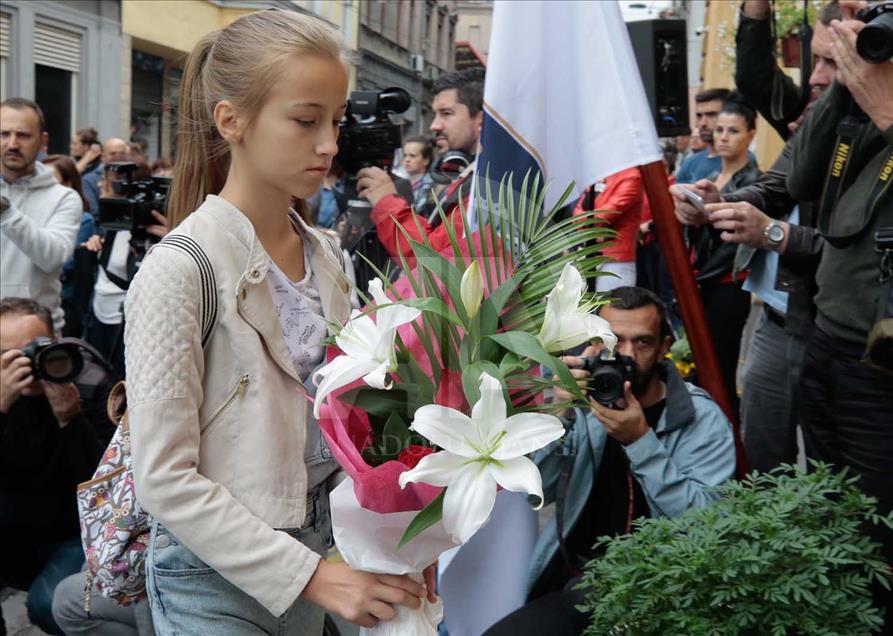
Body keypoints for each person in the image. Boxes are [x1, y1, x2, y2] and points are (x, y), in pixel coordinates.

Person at [122, 10, 435, 633]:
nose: (329, 144)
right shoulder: (181, 269)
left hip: (324, 543)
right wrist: (311, 574)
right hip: (213, 573)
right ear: (231, 120)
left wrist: (403, 539)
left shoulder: (328, 254)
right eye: (305, 120)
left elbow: (351, 424)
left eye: (336, 121)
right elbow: (162, 478)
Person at [484, 287, 736, 636]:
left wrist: (641, 442)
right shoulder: (581, 400)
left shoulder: (701, 420)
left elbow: (707, 526)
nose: (627, 354)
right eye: (615, 340)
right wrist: (557, 416)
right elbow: (535, 492)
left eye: (643, 342)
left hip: (665, 584)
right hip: (579, 578)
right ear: (595, 343)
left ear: (665, 347)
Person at [679, 0, 841, 472]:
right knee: (765, 454)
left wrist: (774, 234)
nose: (814, 79)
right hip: (776, 318)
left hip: (832, 330)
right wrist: (720, 205)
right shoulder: (814, 118)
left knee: (833, 470)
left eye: (831, 61)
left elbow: (855, 251)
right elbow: (775, 184)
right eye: (816, 59)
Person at [786, 13, 893, 629]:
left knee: (876, 531)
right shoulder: (864, 104)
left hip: (881, 368)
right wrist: (846, 81)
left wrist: (887, 112)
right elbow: (801, 176)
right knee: (827, 513)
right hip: (828, 339)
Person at [0, 298, 117, 635]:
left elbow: (107, 489)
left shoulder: (89, 382)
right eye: (9, 355)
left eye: (35, 349)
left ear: (56, 342)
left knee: (49, 603)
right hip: (11, 528)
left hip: (75, 528)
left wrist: (70, 420)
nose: (28, 363)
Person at [677, 96, 762, 411]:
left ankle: (727, 436)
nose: (723, 136)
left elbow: (733, 243)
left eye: (734, 131)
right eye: (721, 129)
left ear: (751, 134)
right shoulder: (711, 178)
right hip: (703, 280)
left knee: (720, 367)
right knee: (701, 365)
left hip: (727, 284)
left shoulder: (755, 181)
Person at [355, 68, 484, 268]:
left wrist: (385, 201)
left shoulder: (487, 185)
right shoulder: (472, 176)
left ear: (480, 119)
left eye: (446, 114)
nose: (434, 125)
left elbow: (430, 260)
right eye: (435, 115)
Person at [1, 98, 83, 333]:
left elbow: (52, 257)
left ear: (43, 141)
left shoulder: (64, 198)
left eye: (23, 135)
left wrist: (5, 211)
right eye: (4, 134)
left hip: (35, 337)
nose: (12, 144)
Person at [83, 159, 165, 377]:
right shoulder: (111, 222)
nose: (100, 185)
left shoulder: (150, 229)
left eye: (106, 182)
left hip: (131, 320)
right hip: (100, 316)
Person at [42, 155, 98, 339]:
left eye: (50, 179)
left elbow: (63, 262)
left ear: (68, 183)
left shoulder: (83, 219)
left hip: (62, 304)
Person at [573, 168, 644, 292]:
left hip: (615, 260)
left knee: (611, 308)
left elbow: (601, 217)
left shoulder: (632, 176)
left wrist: (585, 220)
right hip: (586, 254)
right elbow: (576, 214)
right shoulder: (600, 174)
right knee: (579, 307)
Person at [674, 88, 732, 184]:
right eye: (699, 116)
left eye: (711, 115)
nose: (703, 123)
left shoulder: (741, 163)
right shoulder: (690, 162)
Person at [81, 137, 130, 218]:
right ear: (103, 156)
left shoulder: (133, 176)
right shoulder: (88, 181)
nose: (118, 157)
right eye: (113, 153)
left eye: (122, 153)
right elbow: (94, 213)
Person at [401, 135, 436, 213]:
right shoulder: (401, 183)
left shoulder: (432, 186)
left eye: (412, 156)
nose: (407, 159)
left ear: (426, 160)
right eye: (405, 155)